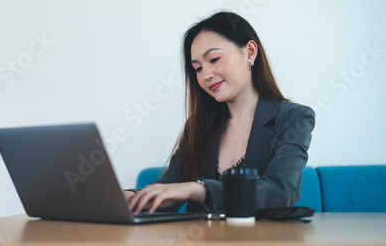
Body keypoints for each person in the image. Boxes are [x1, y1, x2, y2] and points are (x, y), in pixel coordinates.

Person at [124, 11, 315, 215]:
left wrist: (199, 189)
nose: (206, 75)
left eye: (214, 59)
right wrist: (121, 197)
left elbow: (279, 194)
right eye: (197, 69)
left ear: (250, 52)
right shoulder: (197, 126)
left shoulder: (293, 119)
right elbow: (167, 192)